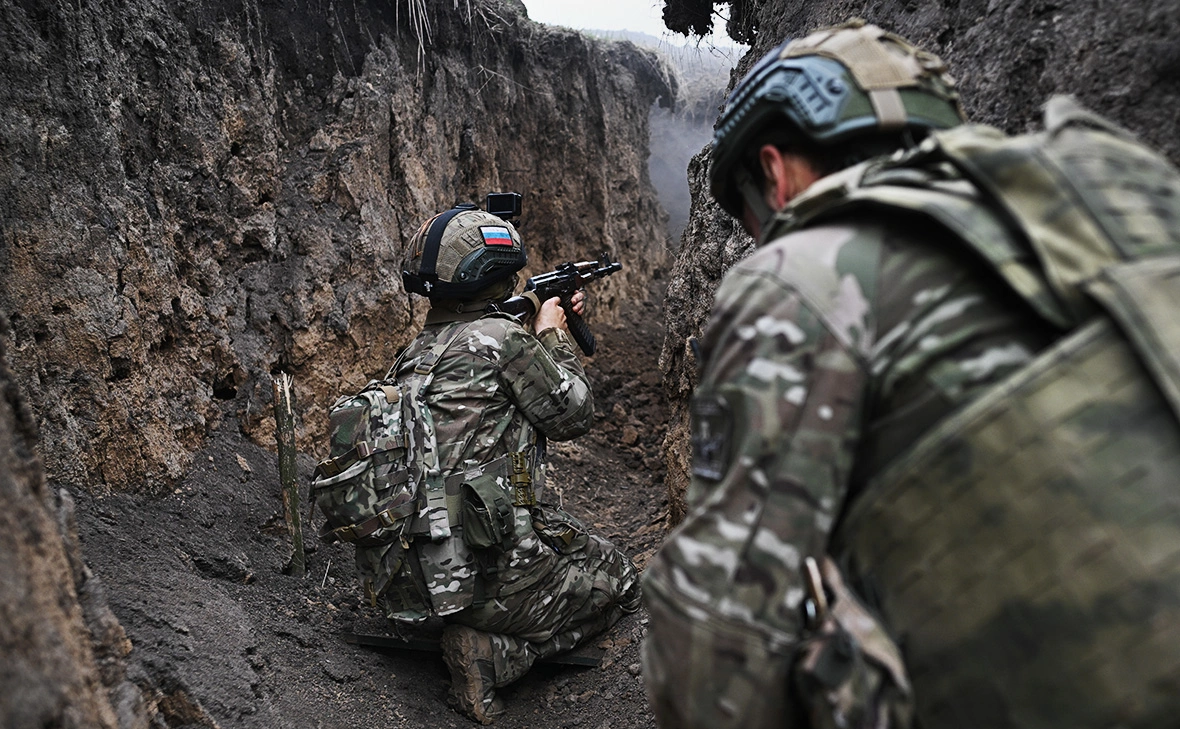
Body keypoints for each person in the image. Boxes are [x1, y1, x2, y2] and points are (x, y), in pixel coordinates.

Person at [641, 17, 1180, 729]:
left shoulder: (807, 273)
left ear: (776, 172)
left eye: (749, 217)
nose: (757, 237)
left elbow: (712, 664)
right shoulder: (1125, 184)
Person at [378, 203, 639, 723]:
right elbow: (573, 414)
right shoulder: (503, 341)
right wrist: (551, 331)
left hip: (411, 579)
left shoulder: (415, 353)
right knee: (621, 581)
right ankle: (496, 657)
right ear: (495, 271)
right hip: (488, 575)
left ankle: (474, 631)